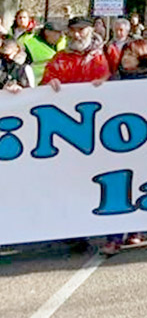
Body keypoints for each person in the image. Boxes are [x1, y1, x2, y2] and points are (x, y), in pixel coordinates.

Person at [40, 17, 111, 253]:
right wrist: (50, 83)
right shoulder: (59, 59)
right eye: (74, 31)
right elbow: (45, 83)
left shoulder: (105, 55)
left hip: (101, 128)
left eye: (82, 30)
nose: (78, 35)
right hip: (67, 131)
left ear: (91, 31)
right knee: (71, 181)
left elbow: (123, 77)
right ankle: (76, 230)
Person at [100, 40, 147, 255]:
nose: (125, 58)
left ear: (142, 58)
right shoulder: (113, 79)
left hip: (145, 143)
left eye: (131, 54)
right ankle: (114, 237)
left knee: (141, 184)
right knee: (118, 187)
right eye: (125, 53)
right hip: (118, 142)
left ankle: (136, 228)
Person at [20, 20, 66, 85]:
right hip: (39, 85)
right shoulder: (30, 44)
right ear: (46, 32)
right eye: (56, 32)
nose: (60, 35)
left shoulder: (64, 42)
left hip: (61, 83)